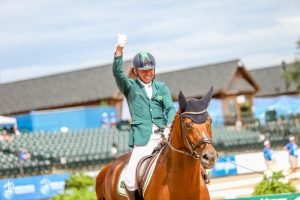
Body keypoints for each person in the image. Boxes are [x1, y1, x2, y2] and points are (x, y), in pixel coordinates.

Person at [113, 34, 176, 199]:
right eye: (144, 70)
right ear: (136, 71)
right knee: (131, 180)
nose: (148, 73)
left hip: (165, 136)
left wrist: (169, 126)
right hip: (143, 139)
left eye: (150, 69)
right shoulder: (130, 87)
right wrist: (119, 49)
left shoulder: (162, 87)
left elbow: (170, 108)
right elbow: (118, 73)